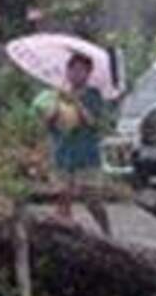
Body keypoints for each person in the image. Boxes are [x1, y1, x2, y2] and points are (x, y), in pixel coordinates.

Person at [36, 53, 112, 236]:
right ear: (67, 71)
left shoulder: (94, 95)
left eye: (81, 70)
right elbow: (47, 122)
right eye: (73, 69)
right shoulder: (55, 94)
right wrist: (56, 103)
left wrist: (77, 102)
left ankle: (107, 231)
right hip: (63, 153)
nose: (76, 74)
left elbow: (92, 122)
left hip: (86, 155)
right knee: (62, 195)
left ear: (88, 73)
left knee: (92, 199)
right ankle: (65, 234)